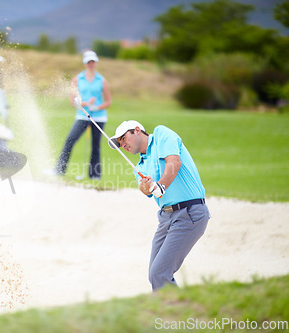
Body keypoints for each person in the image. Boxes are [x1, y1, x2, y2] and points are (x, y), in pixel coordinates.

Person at [109, 120, 210, 291]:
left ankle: (176, 315)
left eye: (123, 138)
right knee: (155, 274)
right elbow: (146, 191)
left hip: (190, 213)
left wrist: (160, 185)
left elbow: (174, 163)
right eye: (120, 144)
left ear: (137, 130)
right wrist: (146, 185)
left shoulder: (161, 134)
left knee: (159, 273)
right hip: (166, 218)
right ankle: (171, 314)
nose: (123, 145)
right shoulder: (139, 165)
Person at [53, 50, 112, 180]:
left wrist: (96, 106)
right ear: (85, 63)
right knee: (70, 140)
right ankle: (59, 169)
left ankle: (95, 175)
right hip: (82, 116)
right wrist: (86, 103)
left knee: (95, 145)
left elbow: (108, 101)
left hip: (99, 117)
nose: (91, 64)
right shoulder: (77, 79)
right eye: (88, 62)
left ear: (95, 62)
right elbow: (72, 100)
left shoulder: (102, 81)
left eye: (93, 61)